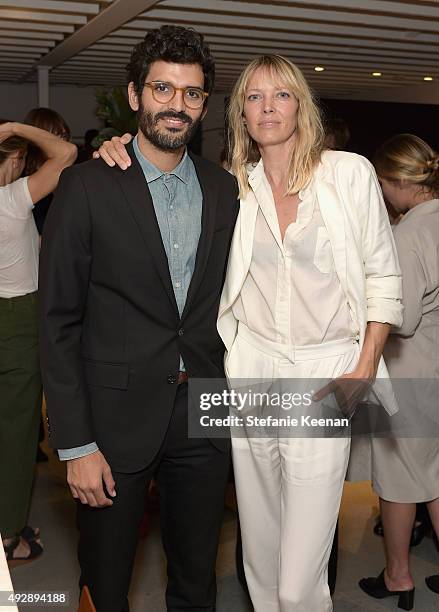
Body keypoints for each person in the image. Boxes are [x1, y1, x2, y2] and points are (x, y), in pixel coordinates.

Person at [39, 25, 238, 612]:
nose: (176, 105)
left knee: (198, 575)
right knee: (105, 577)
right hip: (111, 414)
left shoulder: (224, 190)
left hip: (203, 406)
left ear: (204, 103)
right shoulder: (87, 185)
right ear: (134, 96)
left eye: (192, 93)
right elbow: (57, 321)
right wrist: (74, 444)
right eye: (162, 89)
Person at [216, 55, 402, 612]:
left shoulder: (347, 173)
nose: (268, 107)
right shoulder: (235, 185)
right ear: (241, 113)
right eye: (254, 97)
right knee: (260, 554)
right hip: (252, 367)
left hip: (324, 372)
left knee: (300, 580)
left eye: (281, 95)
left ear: (302, 105)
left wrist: (365, 365)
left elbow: (382, 274)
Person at [359, 134, 439, 609]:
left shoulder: (408, 235)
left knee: (398, 480)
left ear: (398, 182)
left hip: (413, 376)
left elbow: (401, 319)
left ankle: (398, 576)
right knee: (436, 475)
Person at [0, 120, 76, 565]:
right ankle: (8, 535)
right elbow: (65, 154)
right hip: (19, 320)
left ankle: (8, 519)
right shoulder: (10, 201)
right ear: (11, 160)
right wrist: (13, 126)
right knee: (16, 433)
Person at [24, 107, 71, 235]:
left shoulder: (69, 176)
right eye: (57, 136)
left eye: (65, 136)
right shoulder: (25, 183)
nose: (64, 142)